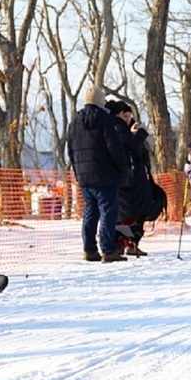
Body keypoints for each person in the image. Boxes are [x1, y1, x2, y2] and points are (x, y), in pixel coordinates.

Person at [66, 85, 129, 263]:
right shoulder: (106, 120)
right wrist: (123, 168)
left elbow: (70, 148)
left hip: (85, 176)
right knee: (108, 212)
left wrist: (77, 170)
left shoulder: (75, 121)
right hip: (105, 175)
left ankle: (89, 249)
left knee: (90, 212)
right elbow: (114, 147)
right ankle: (108, 250)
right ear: (101, 101)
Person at [106, 100, 154, 256]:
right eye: (125, 115)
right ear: (118, 115)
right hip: (127, 179)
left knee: (127, 214)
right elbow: (132, 145)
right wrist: (140, 134)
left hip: (129, 177)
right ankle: (127, 244)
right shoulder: (117, 127)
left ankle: (127, 244)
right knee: (128, 214)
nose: (127, 119)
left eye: (129, 116)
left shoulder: (119, 127)